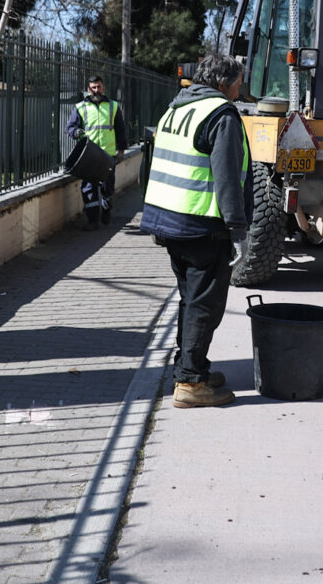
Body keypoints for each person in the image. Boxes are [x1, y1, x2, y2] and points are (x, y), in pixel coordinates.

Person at [140, 53, 250, 409]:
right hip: (203, 225)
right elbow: (227, 177)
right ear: (223, 83)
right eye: (238, 83)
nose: (239, 90)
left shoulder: (176, 108)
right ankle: (190, 383)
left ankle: (191, 368)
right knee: (205, 305)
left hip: (171, 220)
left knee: (190, 299)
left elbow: (152, 163)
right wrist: (238, 230)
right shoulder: (221, 114)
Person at [66, 75, 126, 230]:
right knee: (88, 188)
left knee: (107, 186)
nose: (96, 90)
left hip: (108, 154)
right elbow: (70, 127)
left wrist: (121, 150)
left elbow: (120, 129)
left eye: (99, 87)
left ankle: (106, 209)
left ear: (103, 87)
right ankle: (92, 220)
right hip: (88, 155)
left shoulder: (113, 106)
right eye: (93, 87)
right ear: (89, 89)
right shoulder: (80, 107)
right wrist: (76, 132)